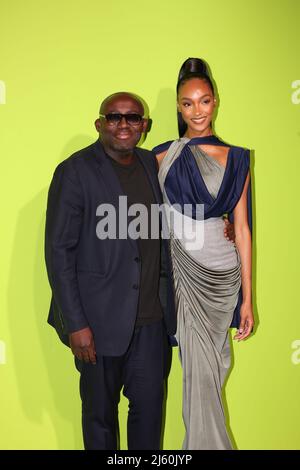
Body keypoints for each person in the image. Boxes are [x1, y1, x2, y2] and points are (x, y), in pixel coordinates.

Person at [44, 92, 177, 450]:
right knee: (100, 420)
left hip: (151, 323)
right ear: (99, 124)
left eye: (132, 118)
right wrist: (76, 324)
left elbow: (177, 221)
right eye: (114, 117)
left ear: (144, 126)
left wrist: (223, 224)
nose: (123, 124)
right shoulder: (75, 171)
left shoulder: (153, 165)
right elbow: (59, 253)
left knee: (149, 417)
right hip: (97, 325)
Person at [153, 58, 254, 450]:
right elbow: (146, 214)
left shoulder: (237, 157)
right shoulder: (161, 156)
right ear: (178, 107)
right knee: (196, 375)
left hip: (223, 275)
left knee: (214, 370)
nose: (197, 111)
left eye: (205, 101)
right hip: (181, 274)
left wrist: (248, 299)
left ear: (215, 102)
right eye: (188, 103)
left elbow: (242, 229)